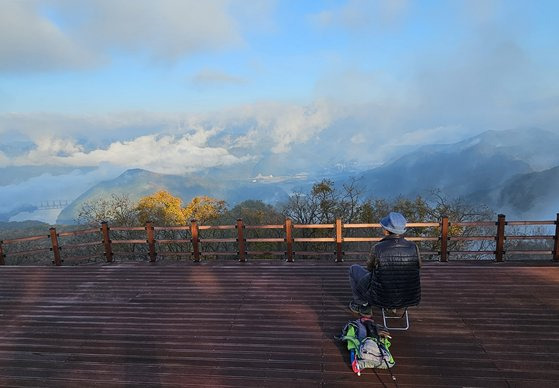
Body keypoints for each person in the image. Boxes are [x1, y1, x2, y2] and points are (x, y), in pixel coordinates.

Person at [348, 211, 421, 317]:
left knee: (354, 269)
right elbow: (418, 266)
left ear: (387, 231)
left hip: (381, 296)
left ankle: (362, 305)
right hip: (407, 296)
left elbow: (369, 267)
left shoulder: (378, 248)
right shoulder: (414, 247)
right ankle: (393, 307)